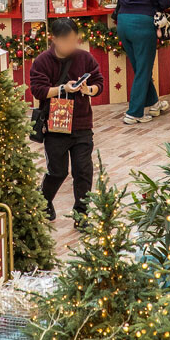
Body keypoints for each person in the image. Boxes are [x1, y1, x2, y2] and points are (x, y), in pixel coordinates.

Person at [27, 18, 104, 224]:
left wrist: (88, 90)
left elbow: (99, 82)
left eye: (74, 40)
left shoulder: (84, 58)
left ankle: (82, 213)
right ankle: (44, 200)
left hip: (81, 124)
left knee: (83, 171)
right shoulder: (42, 61)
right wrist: (63, 89)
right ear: (54, 39)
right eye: (67, 41)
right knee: (57, 171)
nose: (72, 44)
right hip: (56, 127)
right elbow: (38, 90)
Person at [115, 0, 170, 125]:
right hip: (144, 23)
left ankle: (154, 102)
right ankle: (134, 112)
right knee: (143, 69)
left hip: (123, 21)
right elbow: (164, 1)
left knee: (140, 66)